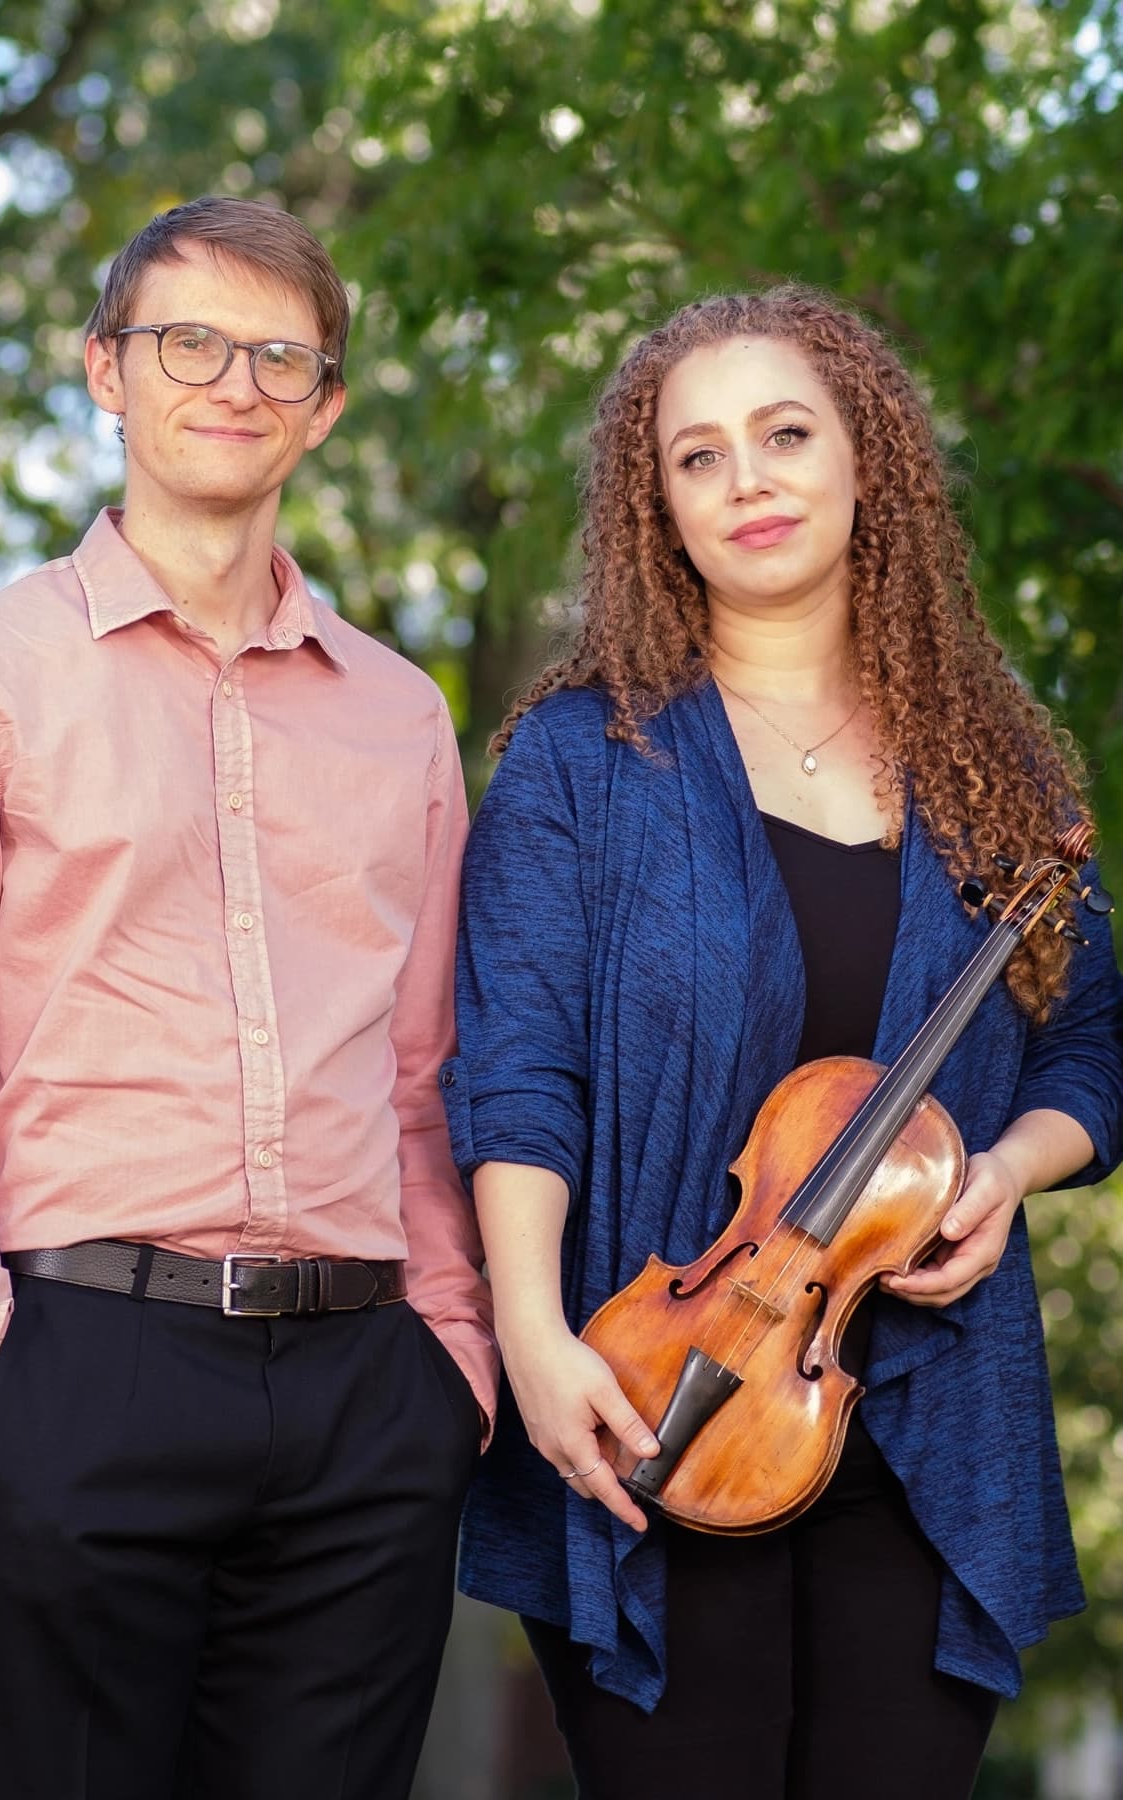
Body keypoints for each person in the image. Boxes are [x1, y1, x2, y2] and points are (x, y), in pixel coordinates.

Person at [0, 196, 496, 1800]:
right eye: (186, 341)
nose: (235, 382)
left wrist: (452, 1362)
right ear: (105, 373)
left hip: (364, 1390)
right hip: (79, 1360)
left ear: (326, 406)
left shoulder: (401, 718)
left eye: (282, 356)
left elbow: (423, 1079)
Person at [439, 286, 1123, 1799]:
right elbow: (513, 1071)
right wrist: (534, 1339)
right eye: (697, 455)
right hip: (657, 1404)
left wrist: (1003, 1166)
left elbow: (1093, 1043)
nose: (745, 479)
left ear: (862, 462)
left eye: (783, 433)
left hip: (928, 1422)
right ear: (655, 509)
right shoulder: (583, 757)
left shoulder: (985, 765)